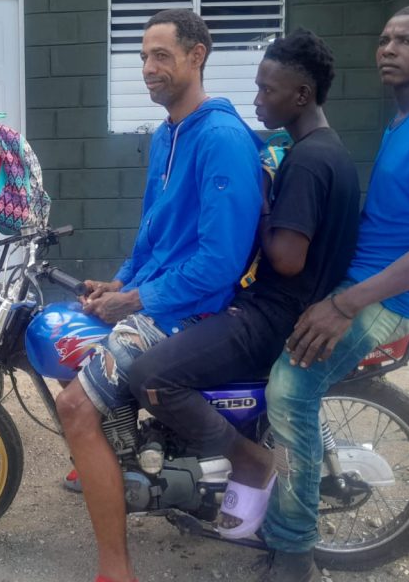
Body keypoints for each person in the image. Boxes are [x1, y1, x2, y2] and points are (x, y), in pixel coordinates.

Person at [257, 6, 409, 582]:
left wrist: (345, 303)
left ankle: (294, 547)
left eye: (407, 40)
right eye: (385, 39)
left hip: (393, 296)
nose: (389, 49)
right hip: (362, 281)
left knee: (290, 387)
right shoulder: (404, 119)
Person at [127, 28, 360, 544]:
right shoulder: (326, 150)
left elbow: (287, 259)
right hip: (285, 305)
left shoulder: (307, 161)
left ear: (302, 95)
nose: (256, 101)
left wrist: (261, 203)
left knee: (151, 375)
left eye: (266, 90)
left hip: (274, 313)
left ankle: (249, 461)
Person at [54, 9, 263, 582]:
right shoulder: (168, 133)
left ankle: (116, 569)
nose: (148, 67)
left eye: (161, 56)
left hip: (195, 309)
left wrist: (137, 301)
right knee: (66, 340)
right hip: (159, 296)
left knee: (73, 408)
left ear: (197, 56)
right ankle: (115, 457)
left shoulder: (221, 137)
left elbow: (219, 262)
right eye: (144, 56)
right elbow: (154, 234)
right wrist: (121, 282)